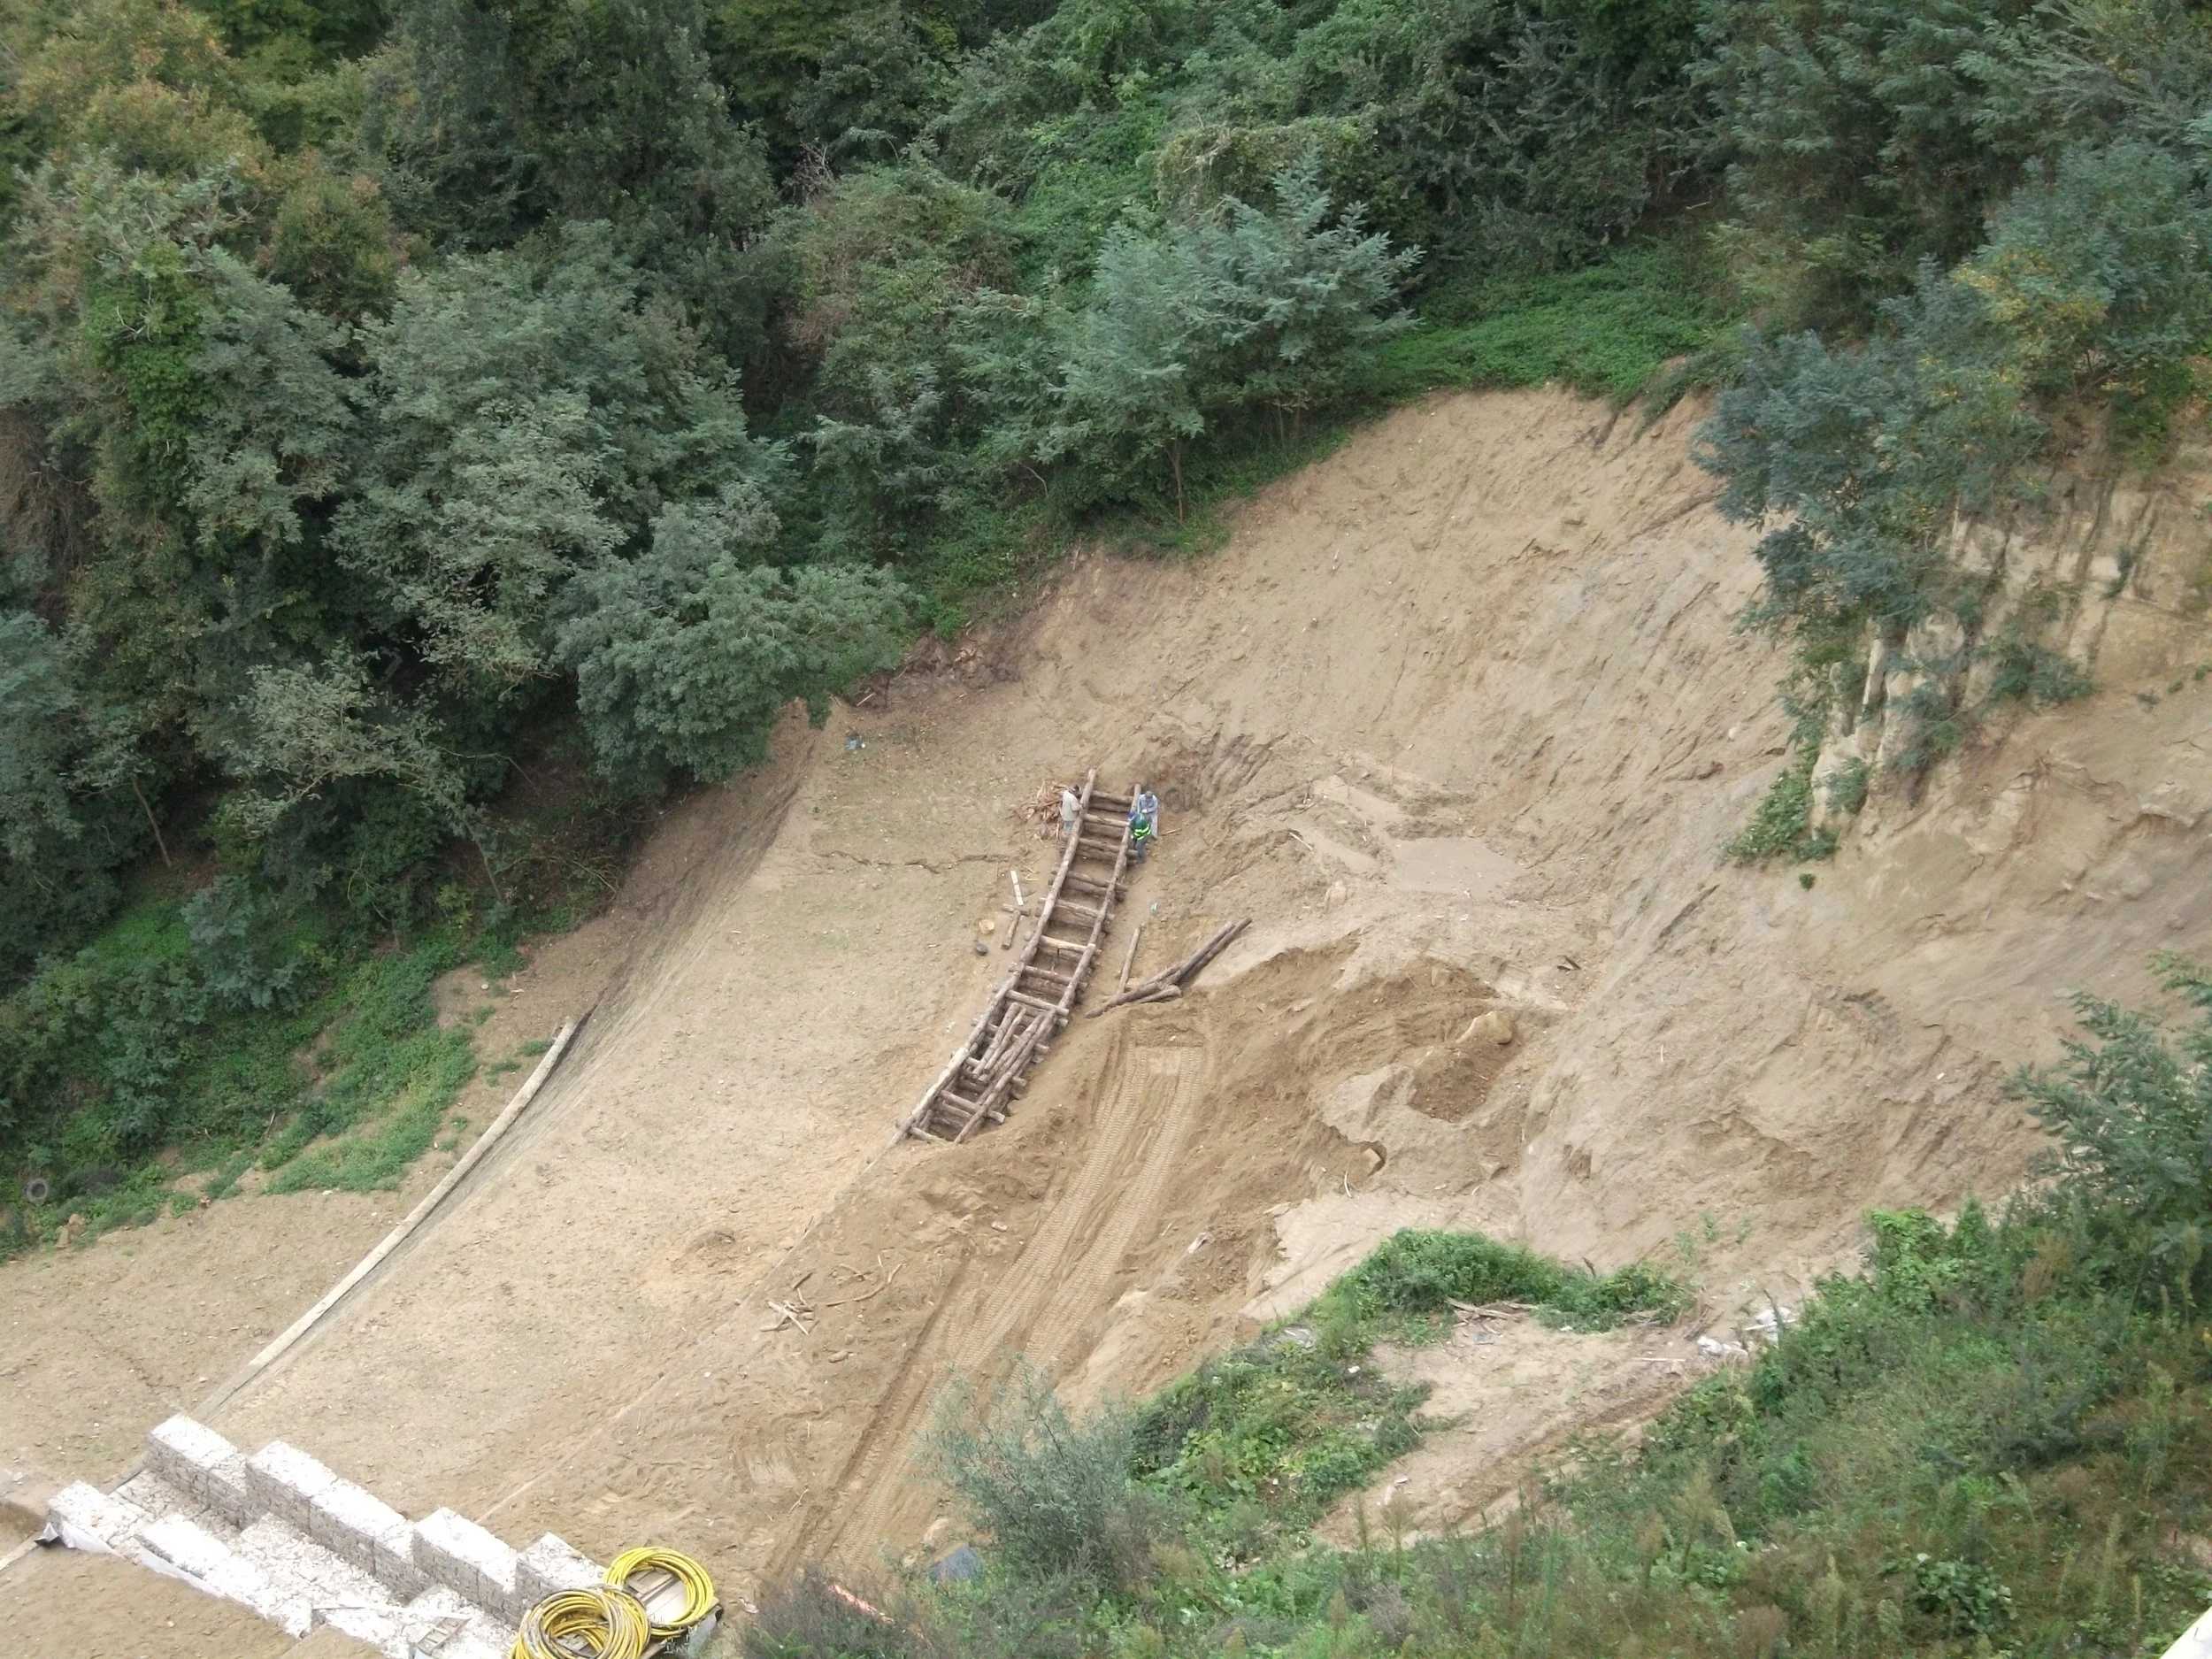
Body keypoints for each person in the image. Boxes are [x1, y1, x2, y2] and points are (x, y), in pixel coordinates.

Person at [1129, 786, 1160, 860]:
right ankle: (1147, 836)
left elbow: (1154, 807)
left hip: (1152, 813)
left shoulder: (1154, 799)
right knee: (1145, 823)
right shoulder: (1141, 798)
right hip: (1143, 812)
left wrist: (1148, 810)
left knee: (1154, 823)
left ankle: (1154, 835)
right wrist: (1139, 812)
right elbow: (1138, 804)